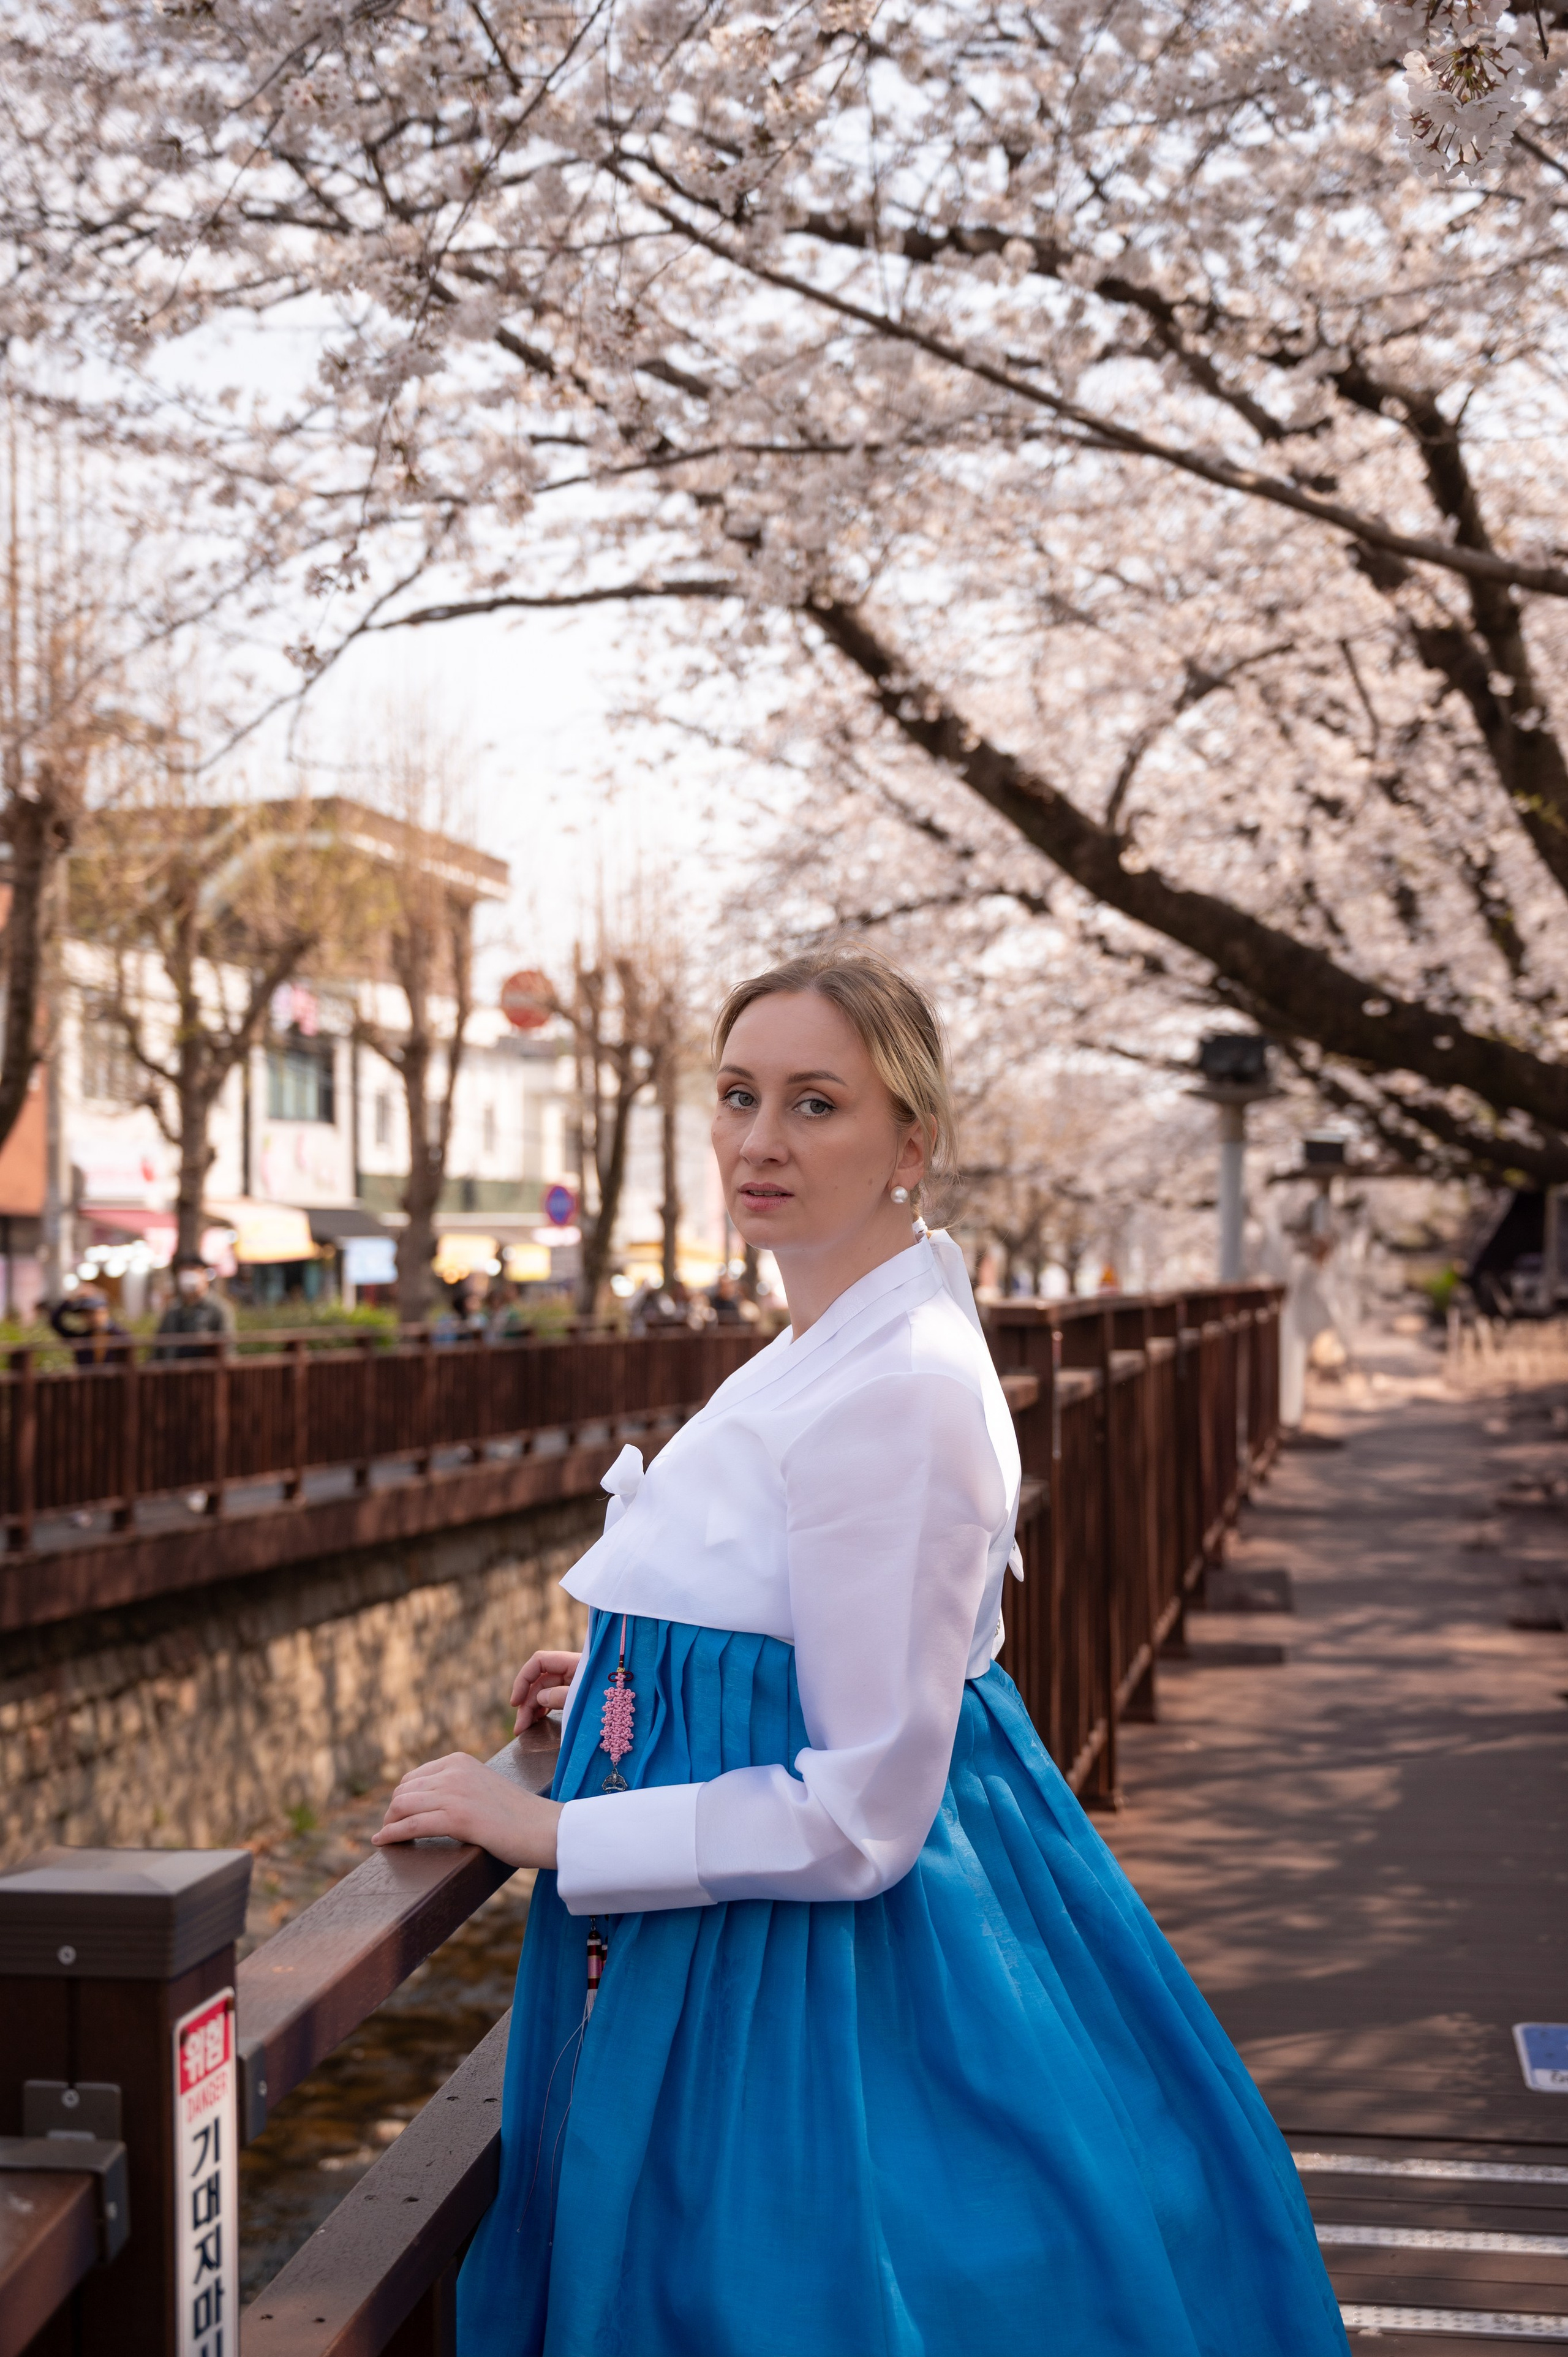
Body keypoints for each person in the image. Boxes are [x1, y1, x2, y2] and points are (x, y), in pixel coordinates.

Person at [374, 947, 1349, 2357]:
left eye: (815, 1102)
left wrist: (548, 1825)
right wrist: (625, 1683)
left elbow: (856, 1813)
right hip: (765, 1926)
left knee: (790, 2280)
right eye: (737, 1094)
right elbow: (793, 1608)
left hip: (802, 1961)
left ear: (912, 1140)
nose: (760, 1140)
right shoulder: (845, 1332)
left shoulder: (894, 1386)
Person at [151, 1257, 235, 1360]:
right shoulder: (173, 1309)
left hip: (207, 1372)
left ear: (205, 1275)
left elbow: (227, 1346)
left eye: (194, 1272)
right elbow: (159, 1346)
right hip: (175, 1372)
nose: (188, 1277)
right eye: (184, 1273)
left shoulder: (218, 1308)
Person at [50, 1287, 131, 1370]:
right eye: (85, 1314)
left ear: (105, 1311)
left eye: (93, 1312)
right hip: (86, 1382)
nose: (90, 1317)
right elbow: (55, 1322)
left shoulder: (118, 1335)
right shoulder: (81, 1338)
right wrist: (70, 1300)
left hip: (114, 1382)